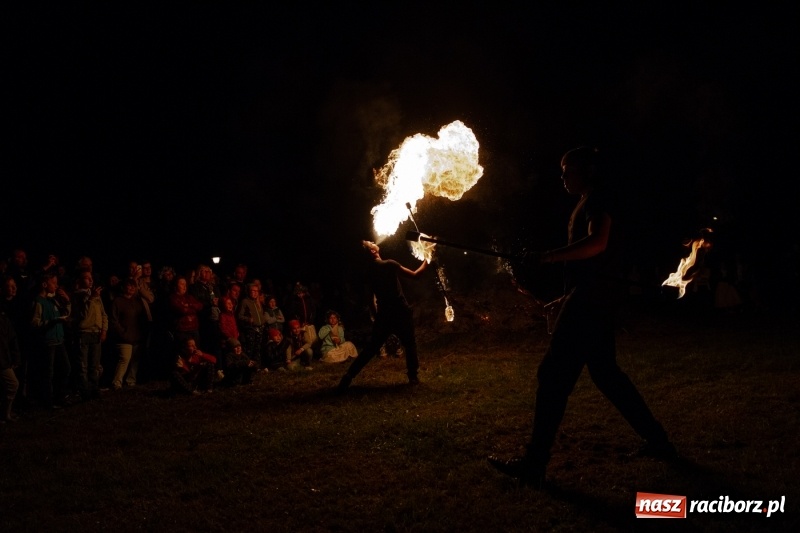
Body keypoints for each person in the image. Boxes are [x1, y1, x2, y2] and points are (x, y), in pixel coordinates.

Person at [488, 147, 675, 488]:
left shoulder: (598, 200)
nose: (562, 177)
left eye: (567, 171)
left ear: (587, 171)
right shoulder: (587, 201)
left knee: (552, 376)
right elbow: (592, 266)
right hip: (591, 298)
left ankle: (535, 463)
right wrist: (565, 297)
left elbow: (597, 244)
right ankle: (659, 440)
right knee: (606, 375)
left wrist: (548, 257)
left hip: (591, 303)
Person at [336, 240, 428, 392]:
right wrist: (427, 260)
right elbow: (415, 275)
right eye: (370, 243)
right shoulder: (389, 264)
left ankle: (348, 377)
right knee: (410, 344)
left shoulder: (368, 273)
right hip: (400, 311)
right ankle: (413, 377)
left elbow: (369, 298)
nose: (373, 242)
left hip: (384, 314)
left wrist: (377, 316)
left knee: (372, 348)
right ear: (373, 251)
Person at [70, 270, 108, 400]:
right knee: (83, 365)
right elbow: (84, 315)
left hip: (96, 332)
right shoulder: (78, 296)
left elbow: (103, 314)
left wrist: (104, 330)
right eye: (86, 278)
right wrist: (91, 298)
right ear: (80, 281)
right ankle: (84, 391)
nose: (90, 280)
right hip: (84, 333)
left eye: (91, 277)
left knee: (95, 364)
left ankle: (94, 388)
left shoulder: (95, 296)